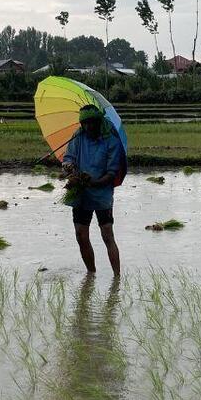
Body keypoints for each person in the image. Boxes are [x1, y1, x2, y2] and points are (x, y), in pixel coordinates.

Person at [62, 104, 124, 273]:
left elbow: (111, 173)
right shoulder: (78, 136)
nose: (88, 127)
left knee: (107, 234)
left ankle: (117, 277)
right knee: (81, 236)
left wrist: (93, 183)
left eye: (92, 123)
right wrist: (70, 170)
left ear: (98, 122)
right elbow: (68, 159)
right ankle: (91, 275)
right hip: (81, 194)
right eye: (85, 123)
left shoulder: (111, 141)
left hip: (101, 194)